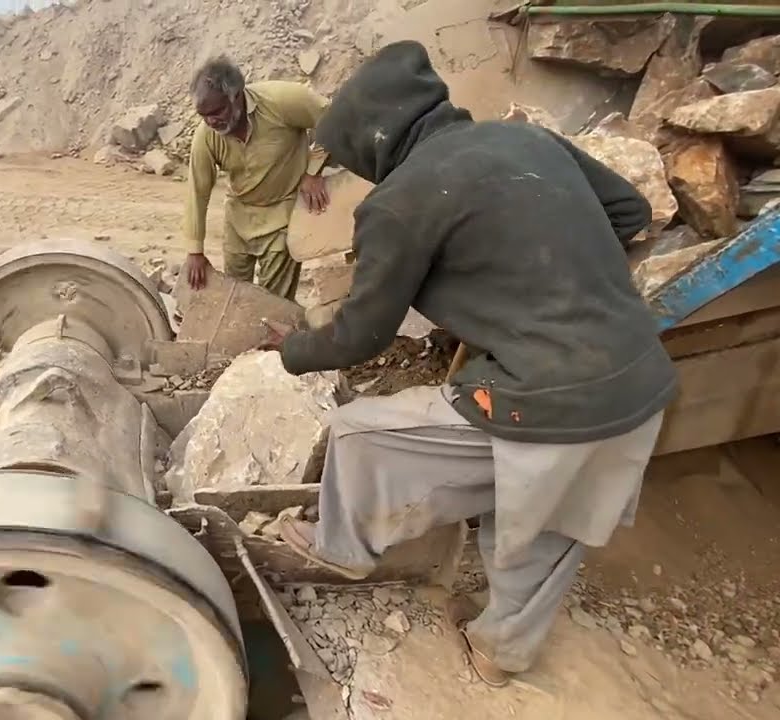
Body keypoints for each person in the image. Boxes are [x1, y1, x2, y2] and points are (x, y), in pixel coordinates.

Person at [263, 41, 677, 685]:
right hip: (641, 384)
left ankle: (341, 548)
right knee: (556, 513)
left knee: (360, 435)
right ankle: (499, 650)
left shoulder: (398, 203)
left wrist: (289, 349)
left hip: (547, 399)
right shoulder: (529, 141)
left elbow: (359, 338)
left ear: (374, 143)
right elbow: (631, 211)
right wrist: (552, 273)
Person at [182, 56, 331, 300]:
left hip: (283, 217)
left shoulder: (282, 101)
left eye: (217, 111)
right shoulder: (207, 136)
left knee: (272, 304)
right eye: (203, 115)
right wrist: (195, 251)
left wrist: (314, 172)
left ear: (237, 95)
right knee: (234, 299)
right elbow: (197, 192)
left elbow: (333, 119)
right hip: (238, 221)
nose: (211, 121)